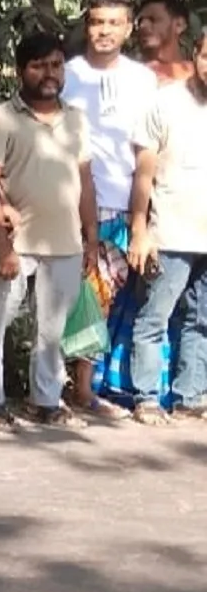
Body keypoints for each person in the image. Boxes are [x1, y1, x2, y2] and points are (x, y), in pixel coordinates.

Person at [0, 32, 96, 432]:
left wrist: (90, 238)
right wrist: (3, 243)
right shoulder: (2, 116)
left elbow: (85, 181)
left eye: (56, 64)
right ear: (21, 69)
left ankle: (45, 399)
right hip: (15, 243)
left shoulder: (76, 118)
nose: (49, 73)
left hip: (66, 241)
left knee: (52, 328)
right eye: (39, 65)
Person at [63, 0, 165, 423]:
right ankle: (80, 389)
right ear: (87, 25)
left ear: (129, 28)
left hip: (127, 206)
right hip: (76, 203)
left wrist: (142, 217)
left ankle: (93, 386)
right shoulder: (67, 73)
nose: (103, 31)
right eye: (96, 22)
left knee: (106, 297)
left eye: (113, 23)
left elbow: (147, 150)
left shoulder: (143, 79)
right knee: (86, 295)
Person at [126, 34, 207, 420]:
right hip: (170, 231)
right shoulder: (166, 102)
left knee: (202, 321)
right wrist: (139, 230)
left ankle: (190, 397)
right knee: (154, 317)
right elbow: (143, 173)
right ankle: (145, 398)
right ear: (196, 56)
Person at [136, 0, 196, 86]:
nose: (143, 26)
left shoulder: (199, 74)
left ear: (179, 25)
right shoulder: (129, 75)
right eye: (140, 21)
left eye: (153, 19)